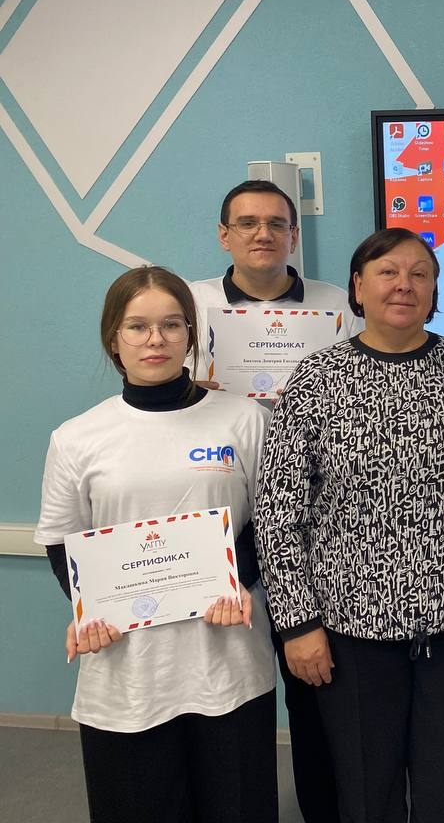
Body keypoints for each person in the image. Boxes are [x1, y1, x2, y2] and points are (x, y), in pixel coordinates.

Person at [254, 227, 444, 823]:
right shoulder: (315, 381)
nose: (403, 285)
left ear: (434, 291)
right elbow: (279, 512)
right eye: (387, 272)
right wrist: (297, 625)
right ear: (358, 287)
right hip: (349, 628)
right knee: (366, 789)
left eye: (419, 274)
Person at [34, 266, 277, 823]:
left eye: (171, 324)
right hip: (128, 669)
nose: (156, 339)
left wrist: (235, 582)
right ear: (113, 338)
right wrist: (92, 609)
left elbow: (270, 525)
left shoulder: (244, 420)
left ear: (190, 334)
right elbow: (61, 542)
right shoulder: (77, 438)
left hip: (228, 660)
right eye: (137, 326)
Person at [187, 178, 356, 823]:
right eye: (248, 223)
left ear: (294, 235)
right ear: (223, 234)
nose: (263, 234)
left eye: (277, 223)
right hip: (224, 518)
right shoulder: (192, 304)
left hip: (316, 520)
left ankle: (325, 810)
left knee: (318, 690)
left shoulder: (336, 305)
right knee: (230, 692)